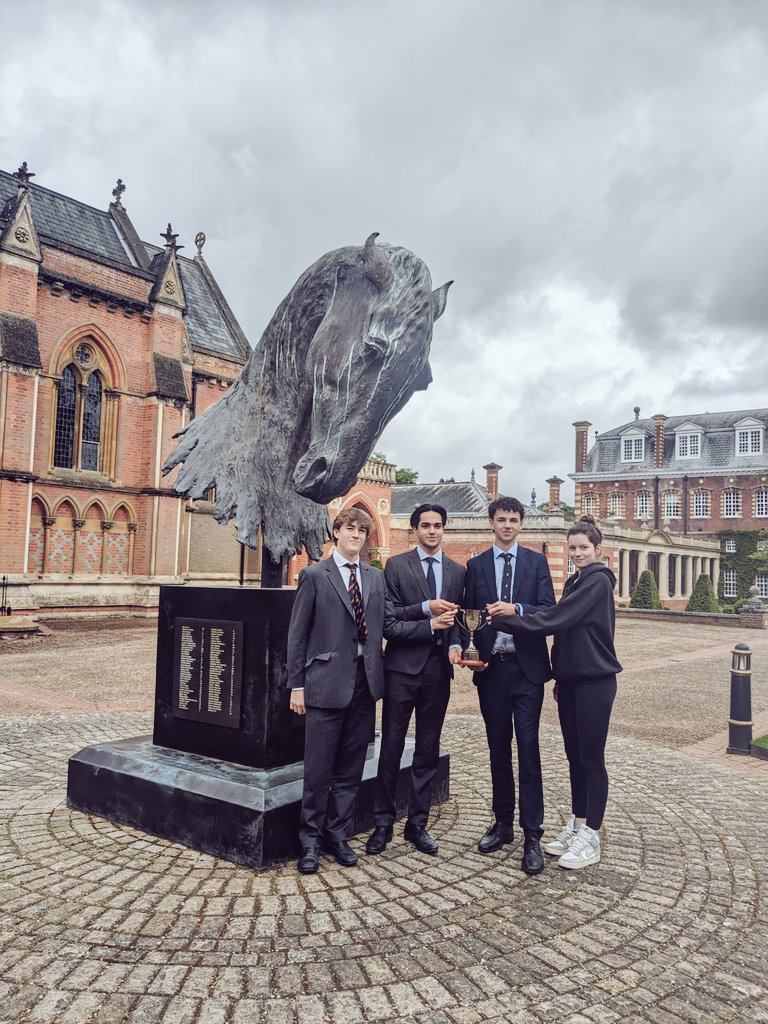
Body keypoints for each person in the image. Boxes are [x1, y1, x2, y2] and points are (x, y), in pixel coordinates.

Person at [489, 515, 622, 869]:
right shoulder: (577, 581)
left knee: (592, 759)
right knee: (575, 756)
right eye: (573, 548)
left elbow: (555, 620)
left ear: (598, 549)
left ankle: (592, 834)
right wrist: (561, 677)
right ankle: (578, 824)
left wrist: (508, 619)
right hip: (574, 681)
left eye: (583, 548)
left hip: (596, 681)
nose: (577, 553)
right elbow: (567, 636)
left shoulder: (596, 581)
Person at [287, 507, 385, 874]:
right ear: (337, 532)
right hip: (325, 684)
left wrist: (429, 620)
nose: (356, 536)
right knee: (318, 769)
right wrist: (296, 685)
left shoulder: (375, 578)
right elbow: (297, 636)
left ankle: (336, 834)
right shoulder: (315, 575)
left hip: (365, 682)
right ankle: (309, 842)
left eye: (362, 531)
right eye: (350, 529)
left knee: (350, 768)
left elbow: (386, 623)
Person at [462, 496, 555, 875]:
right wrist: (462, 646)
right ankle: (502, 824)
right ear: (491, 522)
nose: (508, 525)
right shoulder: (476, 565)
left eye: (514, 520)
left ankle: (532, 832)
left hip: (527, 670)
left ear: (521, 524)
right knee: (498, 750)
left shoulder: (536, 562)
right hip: (492, 670)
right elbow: (465, 615)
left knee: (529, 752)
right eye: (501, 519)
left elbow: (549, 611)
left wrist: (518, 609)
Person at [366, 504, 465, 857]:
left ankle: (417, 824)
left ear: (444, 529)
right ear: (414, 530)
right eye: (425, 526)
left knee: (427, 748)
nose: (433, 531)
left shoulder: (457, 571)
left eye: (438, 525)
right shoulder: (395, 566)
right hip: (401, 671)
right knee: (390, 747)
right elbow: (389, 624)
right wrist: (427, 617)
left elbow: (460, 624)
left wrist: (456, 645)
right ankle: (382, 823)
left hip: (438, 672)